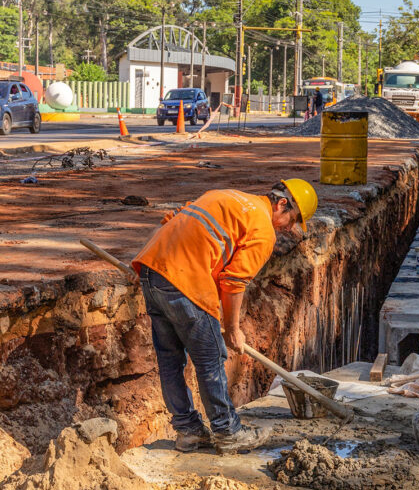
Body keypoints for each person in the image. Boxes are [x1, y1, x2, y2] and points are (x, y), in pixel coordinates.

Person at [132, 179, 318, 454]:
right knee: (210, 359)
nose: (290, 228)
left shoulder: (226, 195)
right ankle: (227, 431)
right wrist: (232, 329)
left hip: (151, 269)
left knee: (170, 359)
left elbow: (173, 218)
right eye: (293, 220)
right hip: (185, 280)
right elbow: (233, 282)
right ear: (281, 204)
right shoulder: (263, 230)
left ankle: (189, 431)